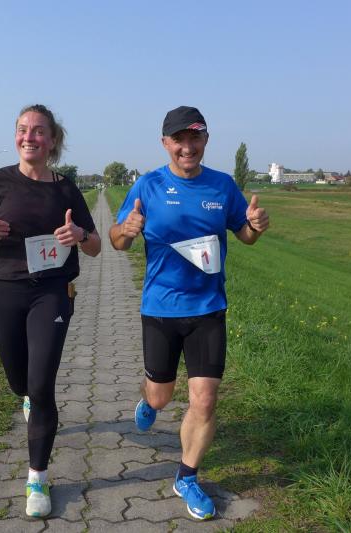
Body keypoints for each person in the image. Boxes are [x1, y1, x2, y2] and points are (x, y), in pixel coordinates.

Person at [109, 106, 269, 521]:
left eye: (194, 137)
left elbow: (245, 235)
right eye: (178, 139)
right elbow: (117, 241)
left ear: (205, 140)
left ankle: (187, 476)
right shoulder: (149, 185)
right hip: (160, 308)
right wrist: (125, 230)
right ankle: (149, 400)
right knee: (161, 396)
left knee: (205, 399)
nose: (187, 146)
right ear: (165, 143)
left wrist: (255, 226)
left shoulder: (222, 185)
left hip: (208, 309)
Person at [0, 104, 101, 517]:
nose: (29, 137)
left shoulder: (66, 190)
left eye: (38, 131)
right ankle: (26, 398)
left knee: (41, 385)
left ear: (52, 140)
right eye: (23, 129)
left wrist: (80, 234)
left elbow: (95, 246)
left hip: (51, 292)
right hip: (4, 290)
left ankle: (37, 477)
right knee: (19, 382)